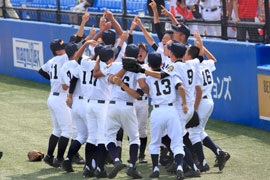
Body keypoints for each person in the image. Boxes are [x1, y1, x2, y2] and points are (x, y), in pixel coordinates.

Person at [38, 39, 73, 168]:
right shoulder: (63, 57)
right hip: (60, 99)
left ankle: (49, 156)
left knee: (58, 129)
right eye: (62, 47)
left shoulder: (52, 61)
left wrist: (53, 79)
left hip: (52, 97)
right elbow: (75, 49)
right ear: (57, 51)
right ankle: (59, 159)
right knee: (67, 130)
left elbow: (41, 71)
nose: (65, 49)